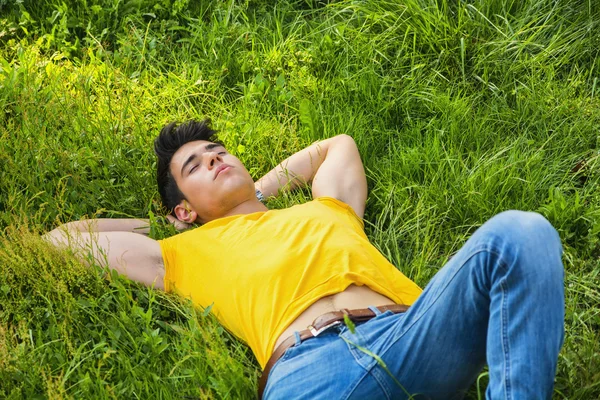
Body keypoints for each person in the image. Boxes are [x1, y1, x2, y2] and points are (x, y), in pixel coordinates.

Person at [45, 119, 565, 399]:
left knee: (521, 232)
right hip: (311, 371)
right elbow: (64, 239)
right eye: (196, 166)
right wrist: (168, 224)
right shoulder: (179, 252)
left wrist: (257, 193)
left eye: (219, 151)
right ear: (183, 208)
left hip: (410, 333)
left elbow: (336, 146)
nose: (215, 158)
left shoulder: (327, 209)